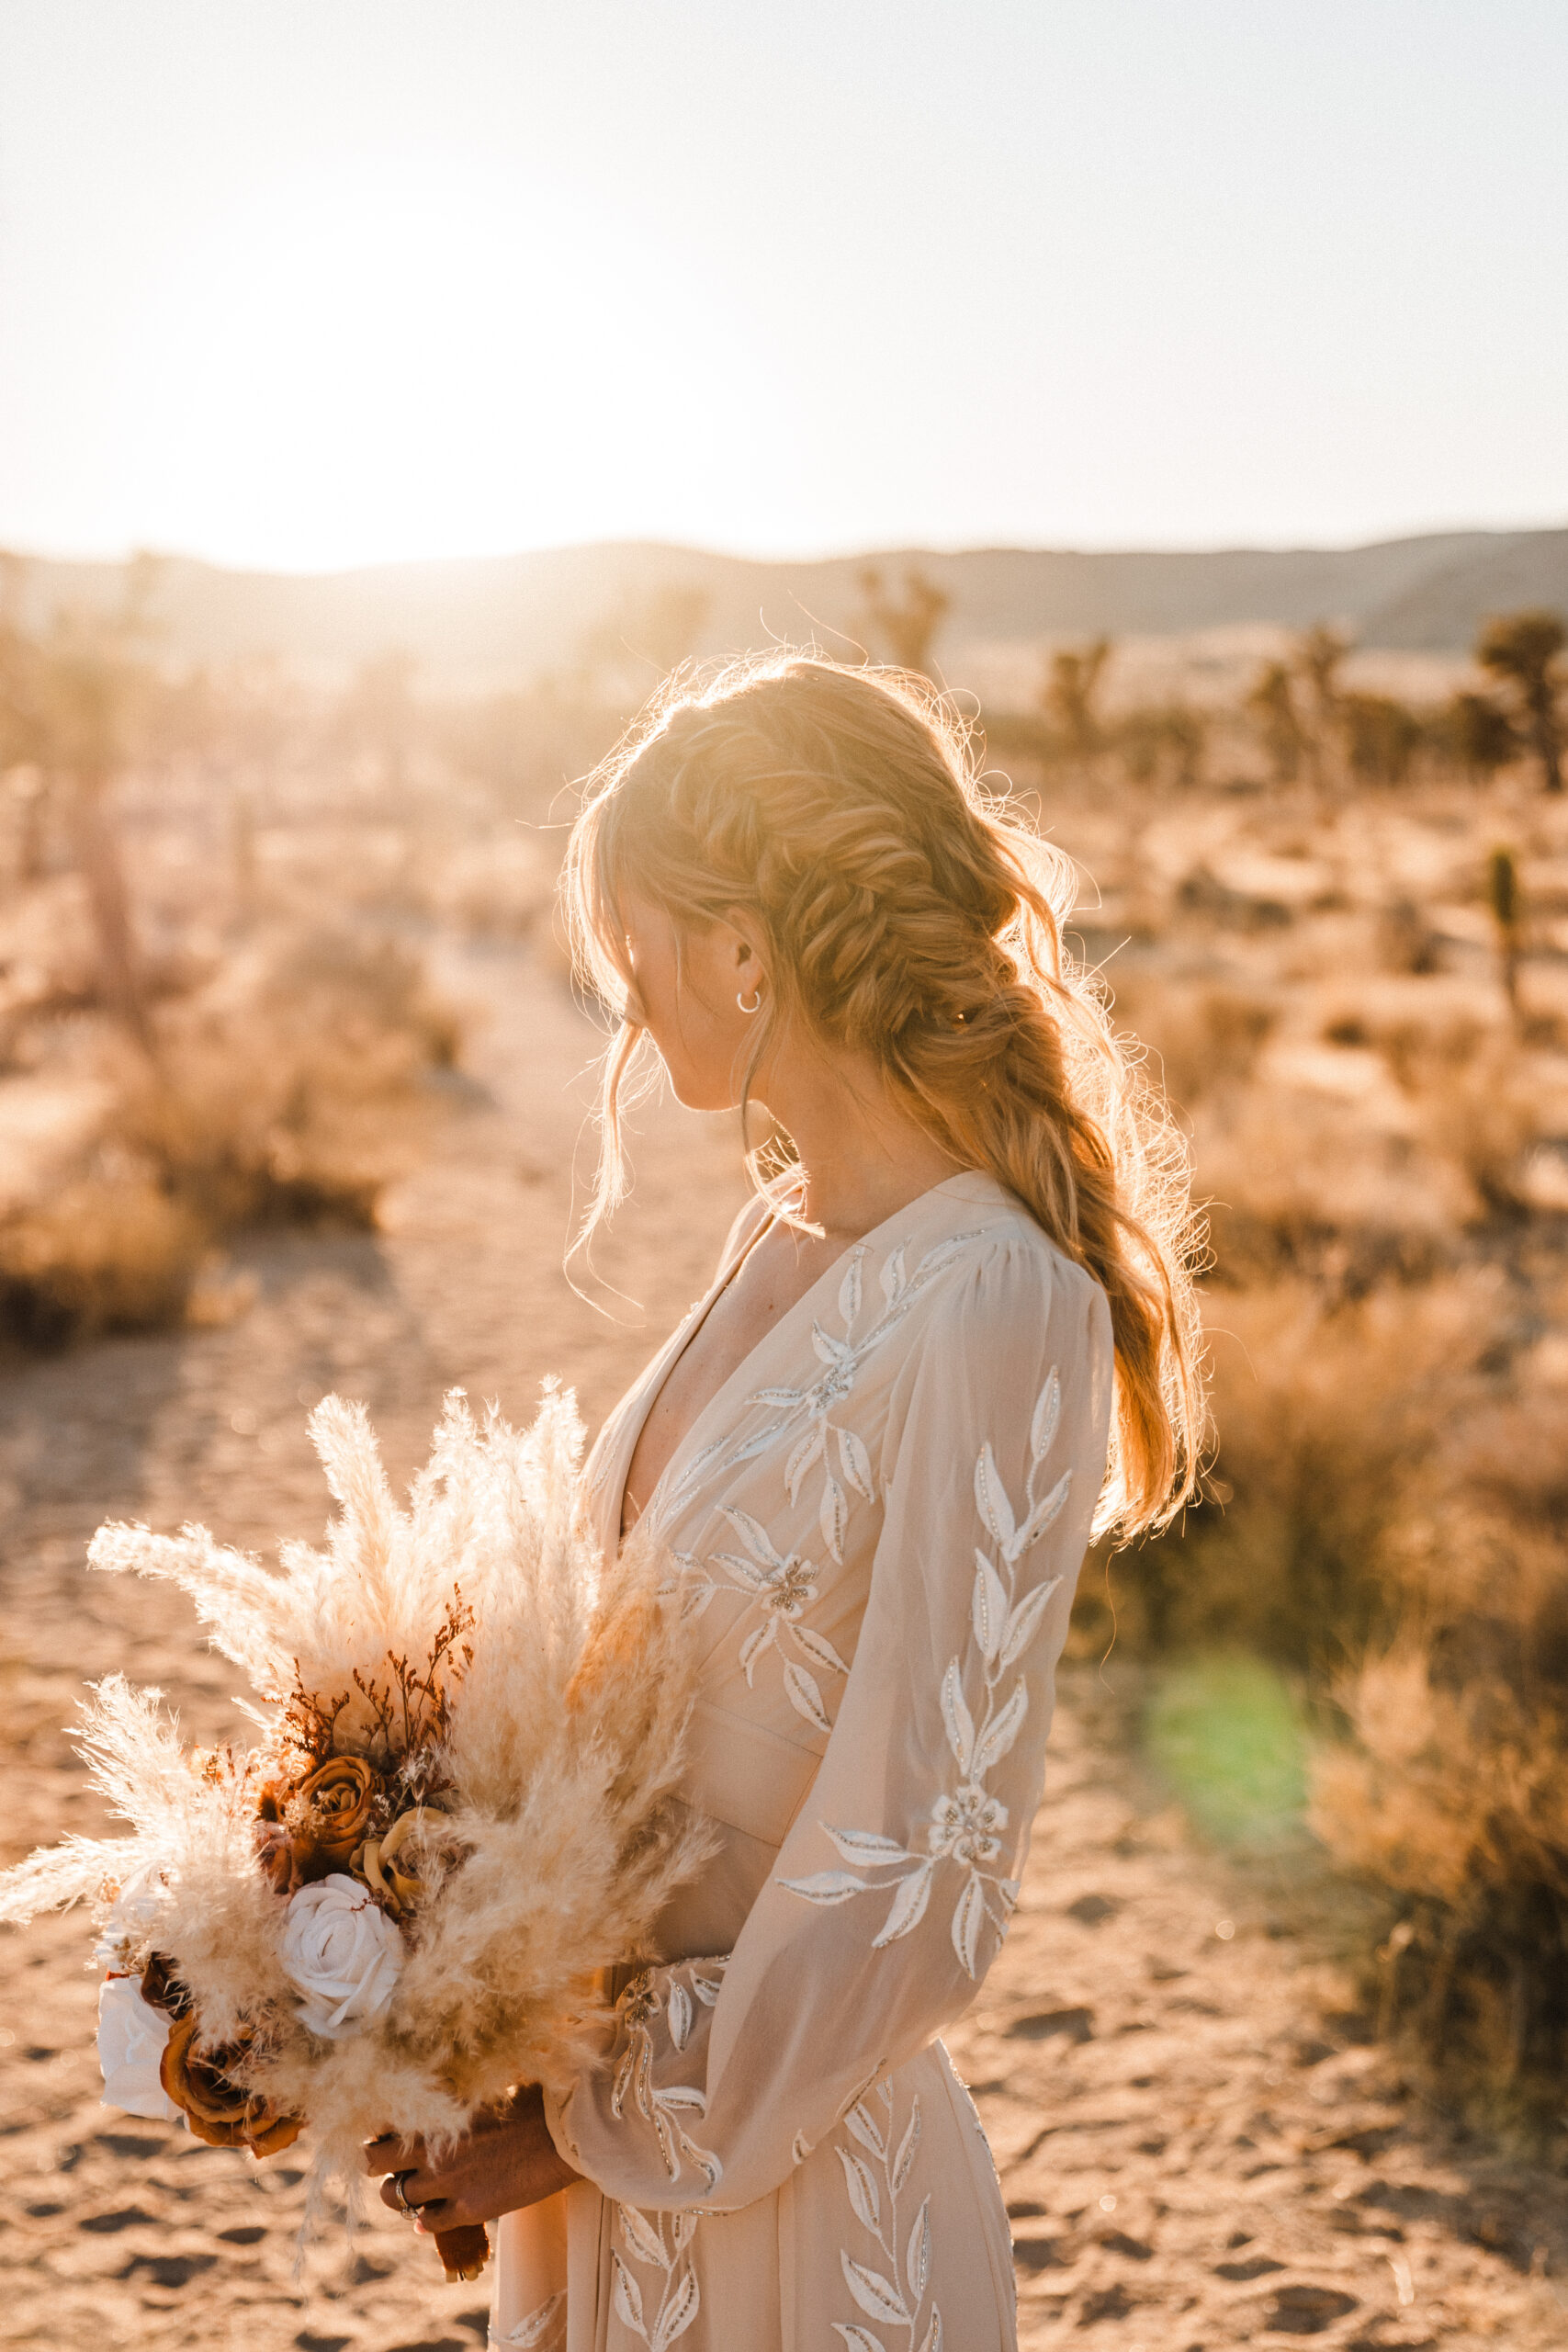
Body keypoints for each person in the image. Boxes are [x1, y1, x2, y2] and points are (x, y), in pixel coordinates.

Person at [367, 654, 1203, 2350]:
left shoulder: (994, 1301)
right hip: (591, 2171)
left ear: (747, 943)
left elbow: (925, 1862)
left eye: (639, 946)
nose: (626, 999)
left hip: (801, 2198)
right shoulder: (777, 1232)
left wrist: (597, 2122)